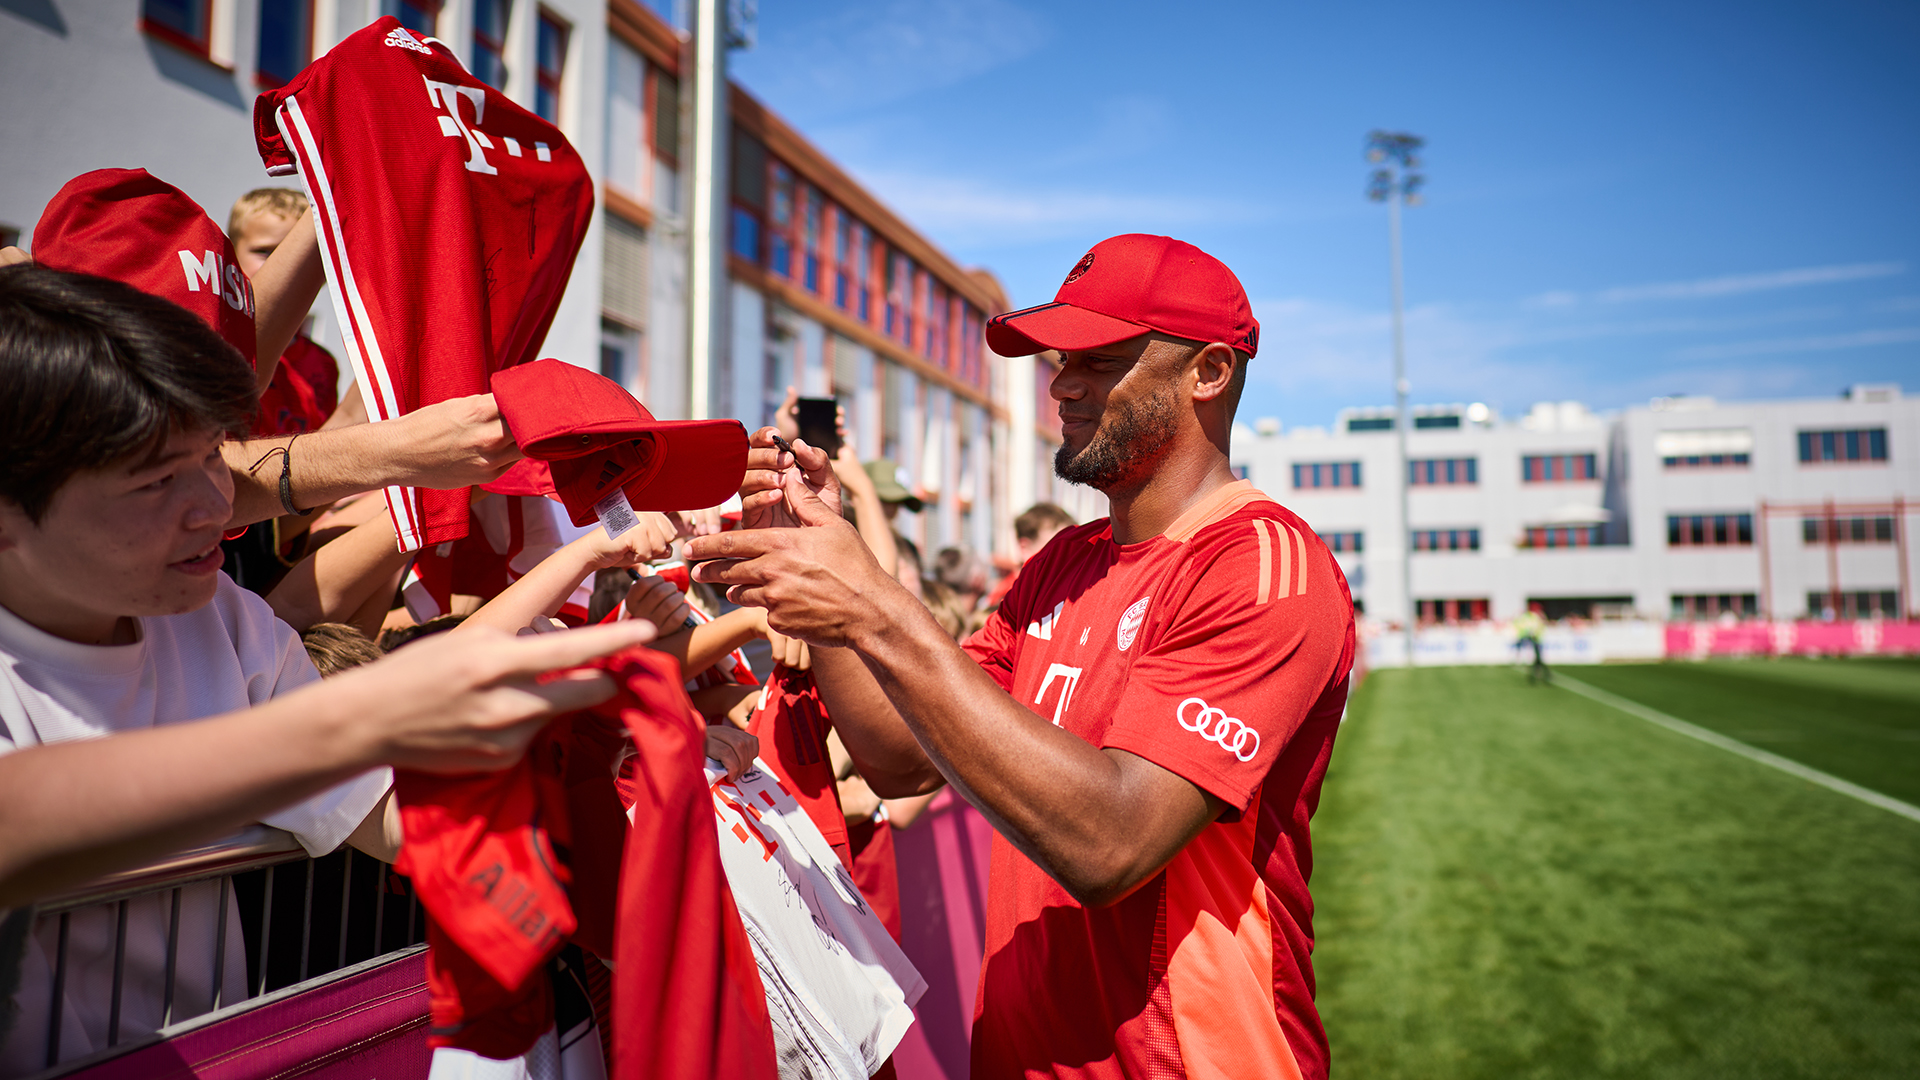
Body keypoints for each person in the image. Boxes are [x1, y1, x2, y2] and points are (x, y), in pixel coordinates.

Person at [691, 234, 1356, 1080]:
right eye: (1056, 361)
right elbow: (897, 761)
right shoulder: (1061, 563)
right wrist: (834, 591)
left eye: (1097, 360)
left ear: (1210, 372)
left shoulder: (1261, 565)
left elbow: (1111, 846)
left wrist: (879, 605)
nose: (1061, 385)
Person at [986, 502, 1077, 609]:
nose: (1071, 556)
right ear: (1025, 548)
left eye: (1075, 546)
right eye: (1058, 548)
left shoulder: (1074, 588)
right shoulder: (1005, 600)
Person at [1514, 606, 1550, 683]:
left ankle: (1540, 674)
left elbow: (1537, 630)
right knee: (1537, 659)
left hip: (1537, 641)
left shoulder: (1537, 620)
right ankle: (1539, 674)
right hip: (1535, 640)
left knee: (1538, 659)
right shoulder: (1535, 620)